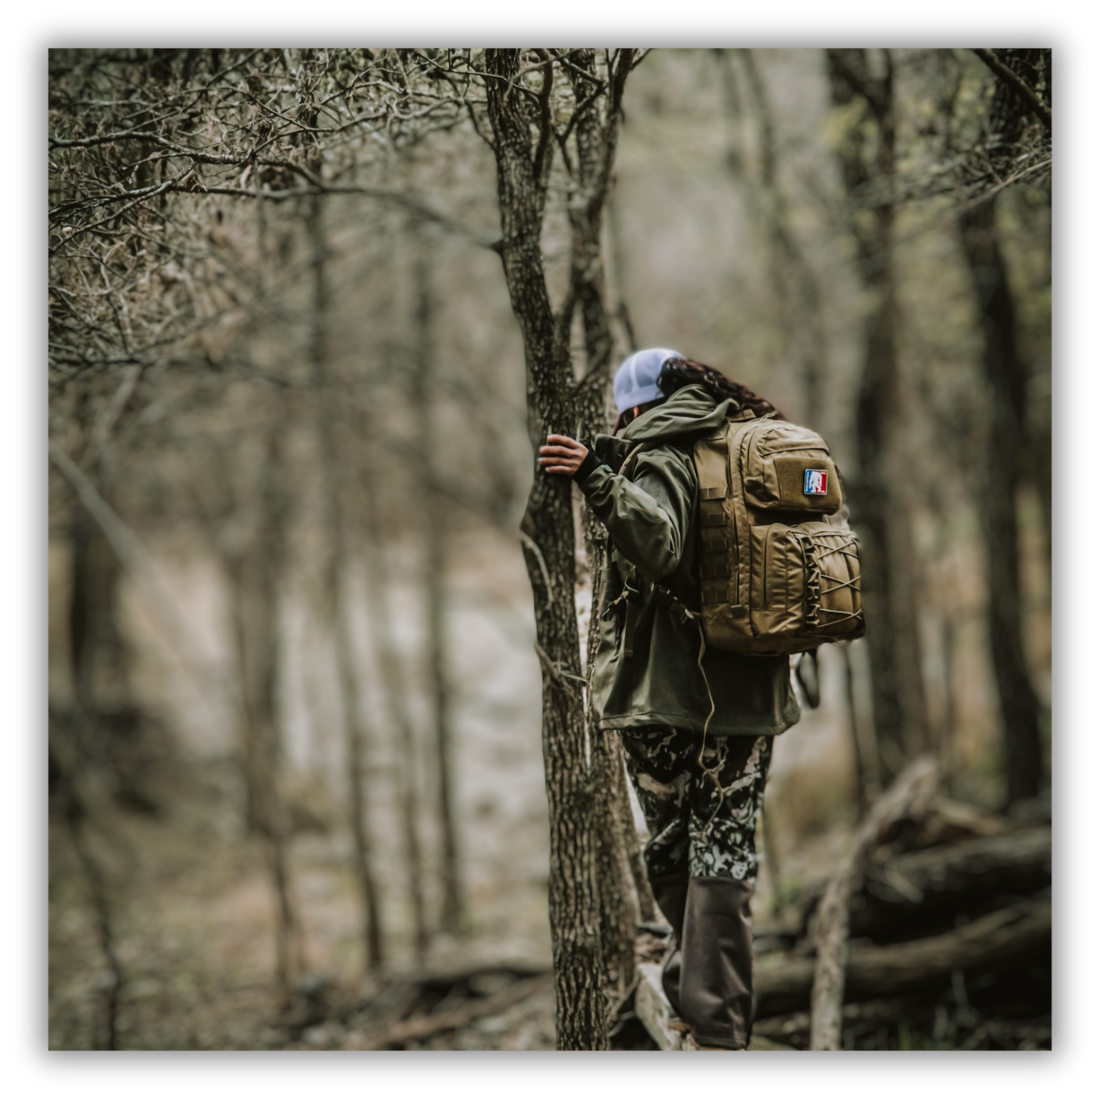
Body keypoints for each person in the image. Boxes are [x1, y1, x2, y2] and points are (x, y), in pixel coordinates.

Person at [539, 348, 801, 1051]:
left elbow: (659, 542)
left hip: (673, 701)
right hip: (752, 694)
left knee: (675, 841)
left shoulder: (659, 451)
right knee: (728, 849)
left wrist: (596, 477)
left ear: (632, 406)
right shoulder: (746, 442)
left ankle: (699, 1010)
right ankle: (719, 1021)